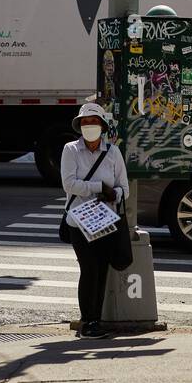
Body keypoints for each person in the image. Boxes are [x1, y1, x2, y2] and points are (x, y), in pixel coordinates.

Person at [61, 101, 130, 339]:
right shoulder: (70, 150)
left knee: (101, 271)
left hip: (104, 221)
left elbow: (124, 189)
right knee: (88, 269)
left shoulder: (113, 152)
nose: (89, 126)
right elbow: (69, 184)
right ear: (79, 126)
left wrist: (114, 193)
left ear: (102, 126)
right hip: (79, 222)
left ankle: (96, 320)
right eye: (85, 122)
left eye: (93, 122)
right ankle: (88, 320)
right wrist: (99, 187)